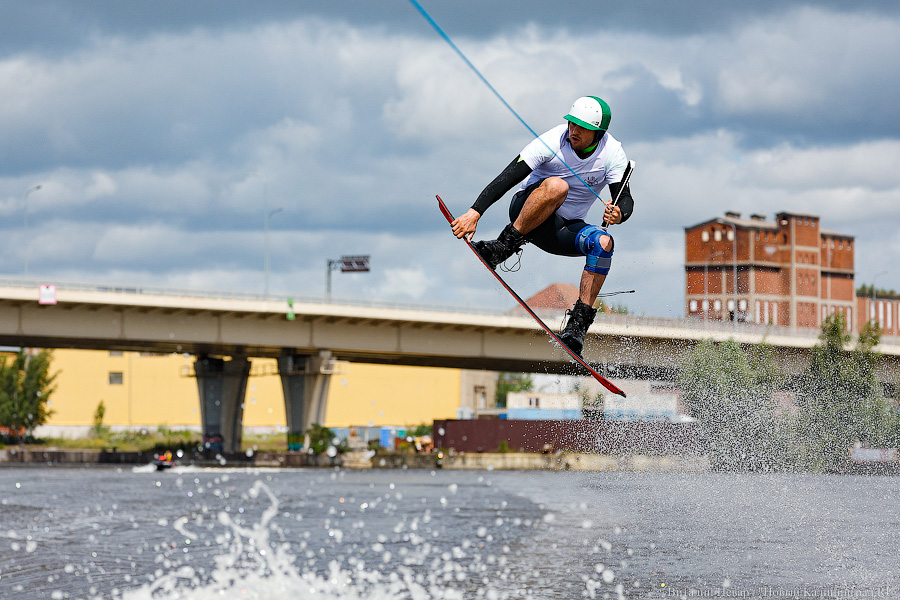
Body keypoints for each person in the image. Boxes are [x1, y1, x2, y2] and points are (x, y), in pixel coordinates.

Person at [450, 96, 634, 358]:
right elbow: (508, 176)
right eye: (572, 124)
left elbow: (625, 199)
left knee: (604, 243)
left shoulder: (613, 152)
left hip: (562, 232)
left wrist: (620, 213)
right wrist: (474, 212)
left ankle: (577, 328)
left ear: (598, 133)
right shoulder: (553, 140)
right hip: (526, 212)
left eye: (582, 128)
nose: (574, 131)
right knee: (559, 186)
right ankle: (504, 246)